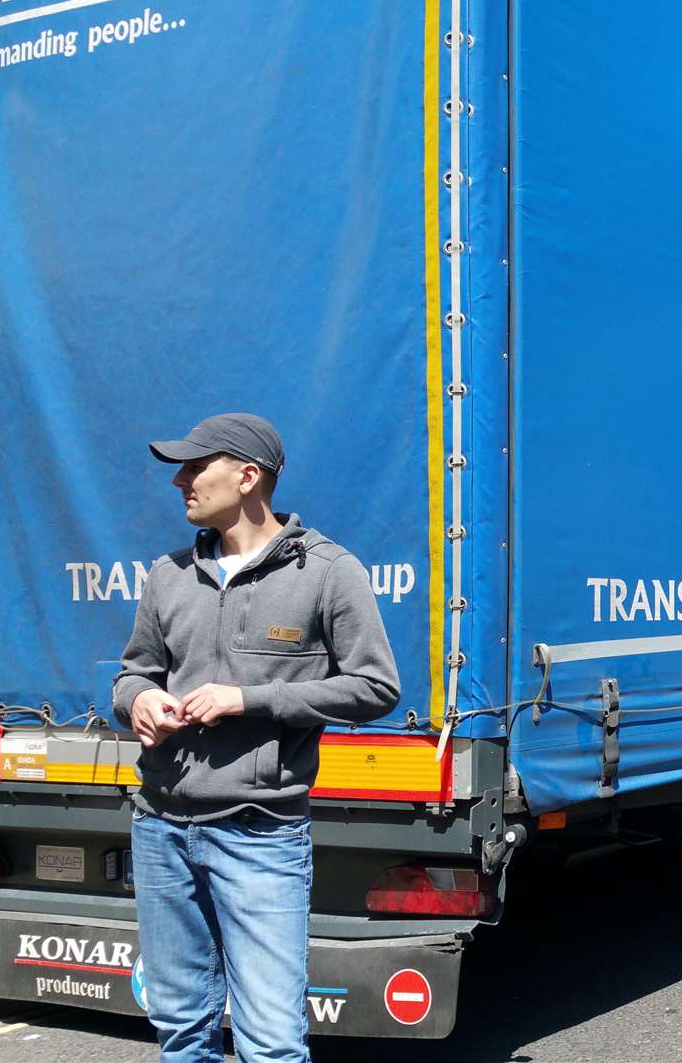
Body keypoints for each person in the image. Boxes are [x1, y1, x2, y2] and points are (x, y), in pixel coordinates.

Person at [113, 413, 399, 1063]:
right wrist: (140, 700)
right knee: (182, 1033)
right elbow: (132, 672)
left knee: (270, 1044)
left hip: (260, 835)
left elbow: (377, 688)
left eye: (194, 467)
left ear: (248, 476)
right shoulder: (169, 574)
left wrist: (249, 701)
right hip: (160, 831)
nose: (180, 481)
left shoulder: (327, 572)